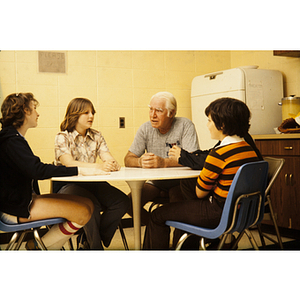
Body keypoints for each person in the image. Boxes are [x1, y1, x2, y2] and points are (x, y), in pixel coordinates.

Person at [143, 97, 261, 250]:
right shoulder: (249, 150)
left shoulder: (218, 154)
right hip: (242, 214)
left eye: (210, 121)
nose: (207, 125)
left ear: (222, 124)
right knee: (186, 203)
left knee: (157, 215)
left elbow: (200, 193)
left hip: (217, 213)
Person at [0, 92, 101, 250]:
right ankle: (40, 247)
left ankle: (41, 245)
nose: (37, 113)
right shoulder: (11, 140)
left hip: (19, 201)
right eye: (34, 108)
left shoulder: (11, 137)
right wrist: (78, 170)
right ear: (25, 111)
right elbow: (37, 170)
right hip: (13, 208)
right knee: (82, 212)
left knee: (88, 204)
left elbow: (34, 168)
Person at [53, 97, 130, 250]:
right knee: (91, 205)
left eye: (92, 112)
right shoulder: (62, 137)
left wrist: (111, 164)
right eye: (86, 112)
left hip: (93, 184)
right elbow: (69, 163)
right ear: (75, 114)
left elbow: (107, 156)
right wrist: (99, 167)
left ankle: (90, 240)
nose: (91, 116)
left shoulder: (96, 136)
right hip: (69, 185)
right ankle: (95, 248)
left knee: (122, 202)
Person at [124, 91, 200, 225]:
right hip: (157, 182)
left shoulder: (185, 125)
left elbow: (193, 159)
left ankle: (179, 244)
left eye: (158, 111)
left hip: (180, 182)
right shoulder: (145, 129)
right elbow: (128, 158)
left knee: (179, 204)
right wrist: (140, 161)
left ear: (171, 113)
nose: (152, 115)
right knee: (128, 203)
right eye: (150, 109)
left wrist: (164, 162)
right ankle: (156, 225)